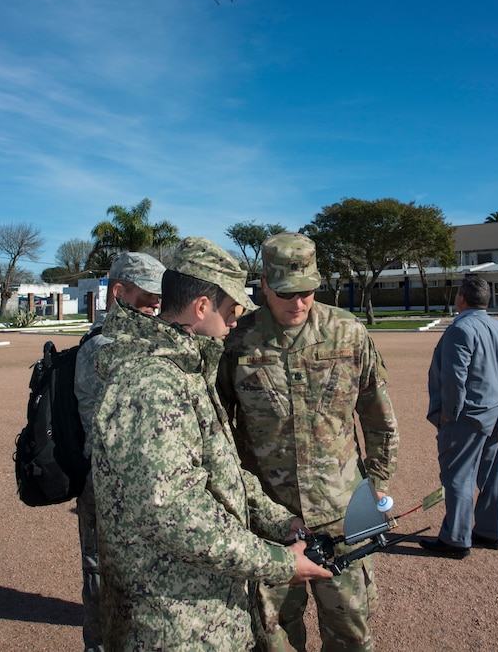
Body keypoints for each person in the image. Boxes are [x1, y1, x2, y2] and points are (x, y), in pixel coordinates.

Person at [92, 236, 331, 652]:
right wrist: (276, 561)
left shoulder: (183, 368)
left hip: (204, 616)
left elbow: (220, 472)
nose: (235, 323)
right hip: (172, 627)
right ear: (202, 307)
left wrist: (282, 522)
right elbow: (177, 513)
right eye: (231, 312)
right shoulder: (153, 382)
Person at [217, 232, 399, 652]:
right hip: (270, 520)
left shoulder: (348, 333)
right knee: (273, 632)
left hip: (344, 513)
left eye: (307, 291)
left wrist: (377, 484)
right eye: (285, 293)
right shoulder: (237, 341)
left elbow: (377, 414)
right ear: (263, 284)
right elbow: (219, 429)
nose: (297, 303)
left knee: (352, 633)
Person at [74, 251, 166, 652]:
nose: (156, 304)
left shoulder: (130, 337)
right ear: (118, 291)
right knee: (103, 581)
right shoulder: (107, 346)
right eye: (147, 296)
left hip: (131, 483)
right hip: (108, 485)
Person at [420, 275, 498, 559]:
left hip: (471, 414)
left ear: (461, 298)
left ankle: (455, 539)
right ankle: (489, 532)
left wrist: (449, 414)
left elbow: (454, 377)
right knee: (491, 477)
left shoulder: (460, 328)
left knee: (458, 476)